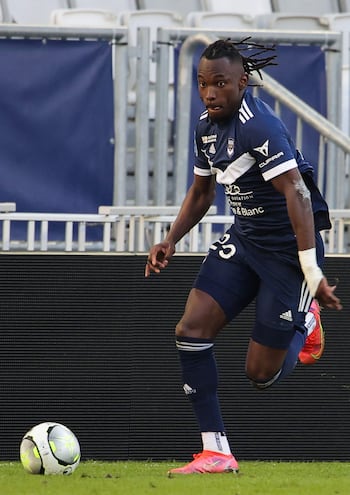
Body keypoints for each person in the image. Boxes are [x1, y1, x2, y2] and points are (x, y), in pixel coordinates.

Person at [145, 38, 342, 475]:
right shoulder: (205, 126)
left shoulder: (259, 127)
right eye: (202, 84)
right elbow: (202, 191)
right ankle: (215, 451)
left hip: (288, 253)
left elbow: (298, 195)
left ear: (243, 82)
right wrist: (171, 238)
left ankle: (306, 320)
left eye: (219, 84)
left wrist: (311, 271)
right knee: (190, 330)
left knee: (261, 375)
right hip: (245, 241)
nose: (210, 93)